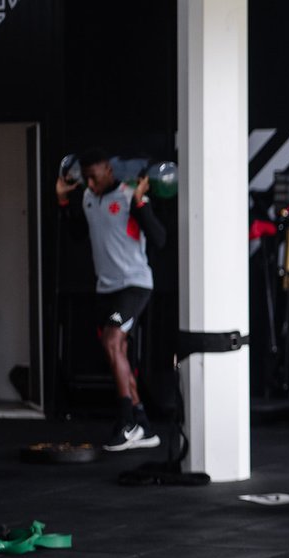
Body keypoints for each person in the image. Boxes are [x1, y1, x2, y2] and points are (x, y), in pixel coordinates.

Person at [56, 148, 165, 451]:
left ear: (108, 169)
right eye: (86, 178)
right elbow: (78, 234)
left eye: (94, 177)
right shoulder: (88, 197)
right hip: (106, 289)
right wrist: (63, 200)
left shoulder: (129, 196)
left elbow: (159, 239)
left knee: (112, 341)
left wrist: (141, 202)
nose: (90, 184)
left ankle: (127, 422)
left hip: (134, 285)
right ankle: (142, 423)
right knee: (119, 353)